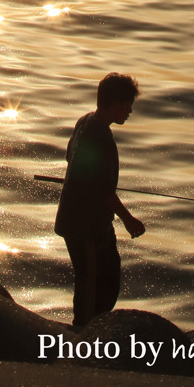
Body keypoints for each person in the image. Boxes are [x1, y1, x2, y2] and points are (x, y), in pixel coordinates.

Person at [54, 72, 145, 325]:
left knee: (106, 279)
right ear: (115, 104)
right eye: (128, 106)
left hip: (87, 223)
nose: (129, 111)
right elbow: (104, 191)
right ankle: (83, 337)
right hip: (85, 228)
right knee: (92, 290)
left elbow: (71, 159)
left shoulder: (85, 122)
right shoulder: (99, 136)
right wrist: (129, 220)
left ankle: (89, 330)